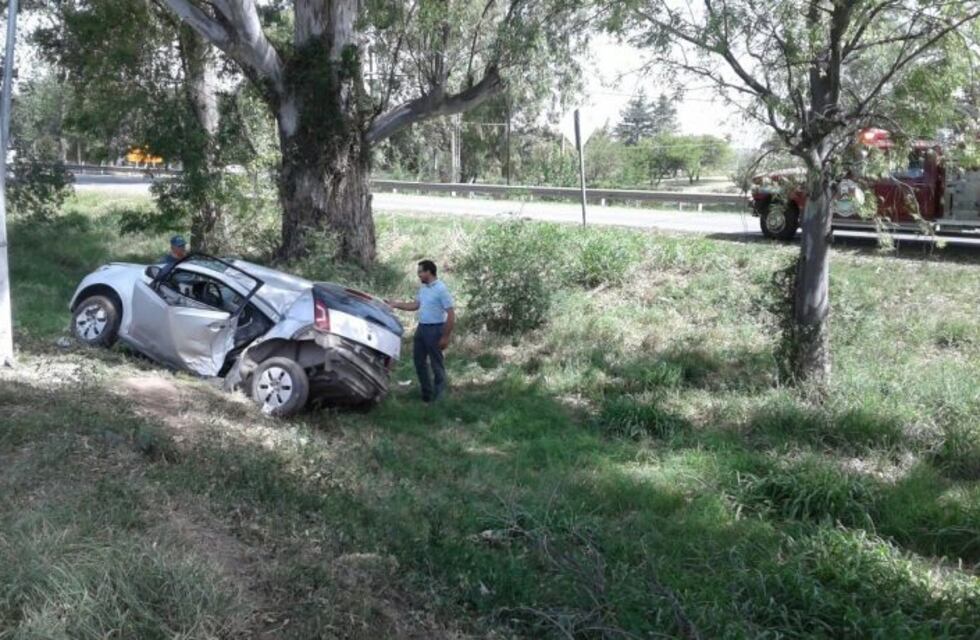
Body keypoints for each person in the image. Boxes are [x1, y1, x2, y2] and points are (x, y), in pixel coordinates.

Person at [386, 260, 455, 402]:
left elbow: (451, 314)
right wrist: (395, 304)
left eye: (420, 272)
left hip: (435, 329)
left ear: (429, 272)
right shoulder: (423, 289)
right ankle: (427, 395)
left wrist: (445, 336)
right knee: (419, 362)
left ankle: (440, 397)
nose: (418, 275)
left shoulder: (441, 289)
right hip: (421, 329)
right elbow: (415, 305)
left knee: (436, 363)